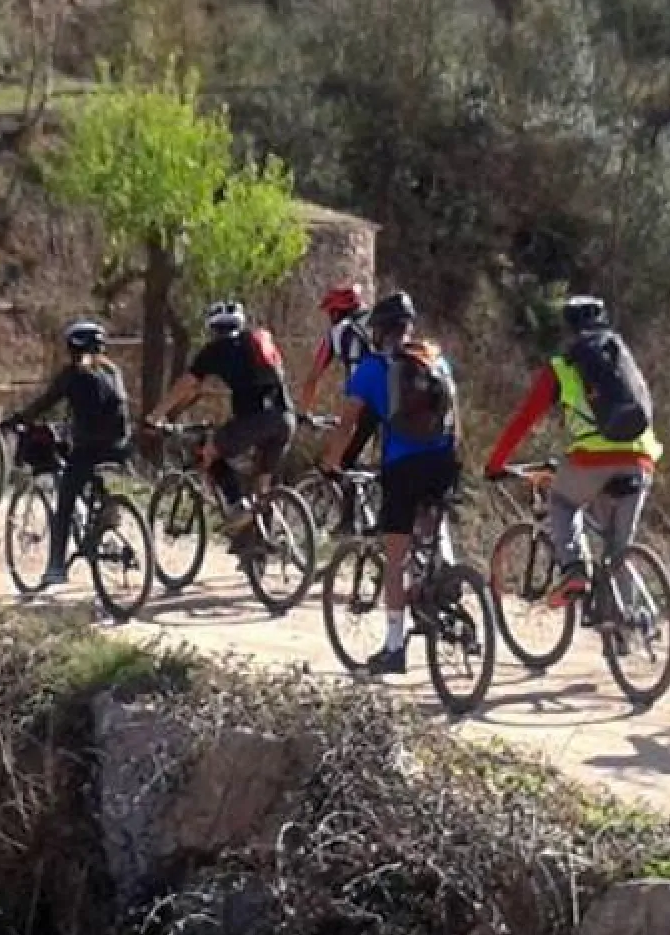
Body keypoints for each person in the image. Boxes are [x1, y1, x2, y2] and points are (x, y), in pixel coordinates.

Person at [481, 295, 663, 622]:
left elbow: (523, 420)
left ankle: (574, 568)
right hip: (642, 459)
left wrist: (496, 463)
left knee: (563, 502)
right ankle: (629, 621)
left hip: (591, 459)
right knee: (618, 548)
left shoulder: (562, 368)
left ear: (568, 328)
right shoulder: (623, 359)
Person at [319, 290, 461, 675]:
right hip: (446, 459)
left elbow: (349, 424)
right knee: (430, 523)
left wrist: (332, 461)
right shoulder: (436, 360)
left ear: (378, 332)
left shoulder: (370, 369)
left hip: (404, 464)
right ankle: (445, 575)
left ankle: (395, 647)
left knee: (395, 556)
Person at [147, 300, 295, 554]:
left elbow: (188, 384)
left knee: (208, 451)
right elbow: (199, 391)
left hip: (255, 422)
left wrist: (158, 414)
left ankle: (236, 505)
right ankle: (257, 544)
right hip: (285, 418)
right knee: (262, 486)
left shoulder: (215, 351)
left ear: (213, 328)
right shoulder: (254, 343)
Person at [2, 321, 133, 587]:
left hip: (89, 449)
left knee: (65, 502)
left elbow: (46, 402)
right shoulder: (113, 370)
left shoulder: (74, 374)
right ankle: (106, 516)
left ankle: (57, 566)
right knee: (92, 482)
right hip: (120, 447)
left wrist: (17, 419)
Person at [299, 283, 373, 418]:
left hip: (360, 395)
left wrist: (303, 413)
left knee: (346, 432)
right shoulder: (378, 320)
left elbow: (313, 377)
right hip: (392, 392)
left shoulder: (336, 332)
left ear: (337, 312)